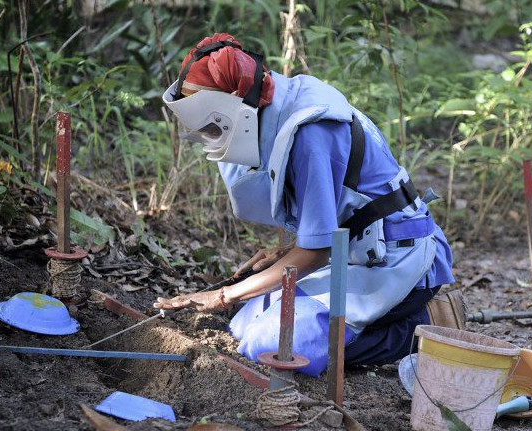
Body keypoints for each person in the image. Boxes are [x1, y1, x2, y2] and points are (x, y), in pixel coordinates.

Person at [154, 33, 465, 377]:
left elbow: (316, 252)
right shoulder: (276, 102)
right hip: (356, 251)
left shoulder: (311, 132)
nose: (210, 135)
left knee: (267, 345)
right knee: (241, 327)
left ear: (233, 103)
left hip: (395, 261)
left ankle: (423, 326)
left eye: (212, 126)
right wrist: (281, 254)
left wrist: (222, 296)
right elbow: (327, 213)